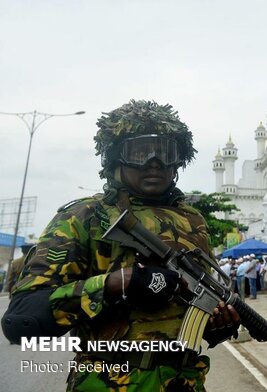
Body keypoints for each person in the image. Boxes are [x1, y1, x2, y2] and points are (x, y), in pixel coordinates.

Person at [1, 100, 242, 391]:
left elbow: (193, 310)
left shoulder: (193, 222)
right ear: (116, 157)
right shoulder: (84, 217)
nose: (154, 162)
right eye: (140, 152)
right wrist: (120, 283)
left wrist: (218, 324)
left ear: (179, 160)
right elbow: (22, 319)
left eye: (164, 152)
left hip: (184, 382)